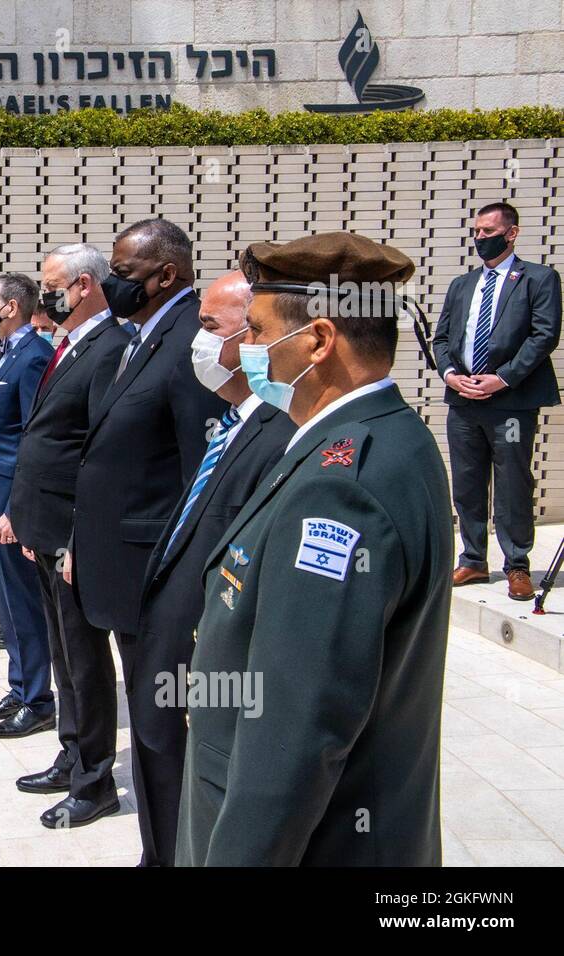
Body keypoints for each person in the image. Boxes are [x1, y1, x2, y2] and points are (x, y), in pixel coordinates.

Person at [176, 232, 453, 866]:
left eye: (256, 330)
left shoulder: (338, 486)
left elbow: (297, 728)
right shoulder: (387, 437)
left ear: (319, 341)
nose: (244, 350)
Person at [59, 218, 228, 829]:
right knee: (151, 723)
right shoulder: (141, 334)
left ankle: (173, 849)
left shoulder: (189, 343)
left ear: (166, 275)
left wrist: (187, 584)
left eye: (124, 274)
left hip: (152, 575)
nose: (114, 284)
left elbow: (199, 474)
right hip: (118, 567)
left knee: (160, 731)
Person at [130, 270, 295, 866]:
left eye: (210, 327)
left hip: (202, 647)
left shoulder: (279, 433)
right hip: (168, 637)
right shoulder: (231, 421)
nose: (198, 343)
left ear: (254, 339)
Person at [5, 243, 131, 828]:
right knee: (62, 651)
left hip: (72, 533)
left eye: (53, 285)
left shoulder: (109, 348)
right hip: (44, 526)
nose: (46, 294)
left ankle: (95, 779)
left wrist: (80, 534)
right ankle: (72, 749)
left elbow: (101, 454)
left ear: (83, 286)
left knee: (84, 658)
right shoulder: (70, 343)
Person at [433, 201, 562, 601]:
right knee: (468, 483)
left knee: (511, 484)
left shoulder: (539, 279)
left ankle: (517, 566)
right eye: (476, 232)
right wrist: (452, 375)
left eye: (488, 232)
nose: (480, 239)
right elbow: (441, 339)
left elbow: (544, 336)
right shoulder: (462, 285)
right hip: (464, 400)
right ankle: (473, 559)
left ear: (512, 233)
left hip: (512, 402)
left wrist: (500, 379)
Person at [0, 273, 57, 738]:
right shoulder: (9, 354)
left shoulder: (35, 357)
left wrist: (14, 509)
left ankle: (38, 698)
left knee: (23, 604)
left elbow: (32, 439)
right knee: (7, 603)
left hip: (9, 508)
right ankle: (21, 687)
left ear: (12, 308)